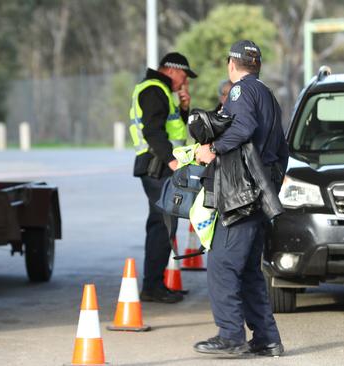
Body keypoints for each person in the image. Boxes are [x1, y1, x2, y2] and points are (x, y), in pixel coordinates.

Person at [193, 40, 288, 357]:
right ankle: (266, 339)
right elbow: (282, 149)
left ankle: (231, 336)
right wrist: (269, 184)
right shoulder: (268, 95)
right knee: (248, 269)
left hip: (242, 194)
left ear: (231, 65)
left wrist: (213, 149)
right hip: (261, 191)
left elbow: (243, 128)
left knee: (221, 264)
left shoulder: (240, 91)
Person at [129, 52, 197, 303]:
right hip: (158, 167)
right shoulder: (154, 90)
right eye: (183, 75)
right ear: (171, 70)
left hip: (160, 166)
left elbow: (174, 129)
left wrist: (184, 109)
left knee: (164, 223)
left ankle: (155, 284)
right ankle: (152, 287)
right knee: (162, 223)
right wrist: (171, 159)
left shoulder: (160, 92)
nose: (184, 81)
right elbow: (152, 131)